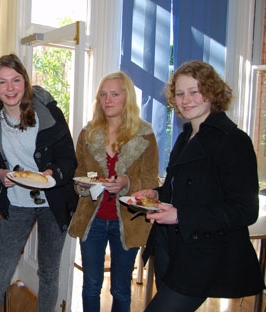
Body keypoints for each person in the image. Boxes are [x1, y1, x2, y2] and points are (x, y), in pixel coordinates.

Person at [135, 60, 265, 311]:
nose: (186, 100)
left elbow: (244, 210)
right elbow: (183, 190)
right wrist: (156, 194)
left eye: (194, 91)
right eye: (180, 93)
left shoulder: (234, 141)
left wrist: (180, 215)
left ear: (212, 92)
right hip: (169, 245)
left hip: (202, 253)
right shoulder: (186, 136)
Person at [0, 53, 78, 312]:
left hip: (52, 201)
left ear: (25, 82)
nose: (10, 88)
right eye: (2, 82)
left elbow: (68, 157)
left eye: (16, 80)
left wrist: (52, 174)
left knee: (48, 272)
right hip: (16, 202)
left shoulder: (47, 111)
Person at [67, 71, 160, 311]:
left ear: (126, 97)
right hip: (92, 219)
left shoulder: (145, 135)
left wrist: (126, 182)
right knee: (90, 286)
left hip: (128, 221)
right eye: (103, 95)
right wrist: (86, 185)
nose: (107, 100)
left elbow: (151, 181)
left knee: (120, 288)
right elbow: (80, 174)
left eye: (114, 94)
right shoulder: (88, 134)